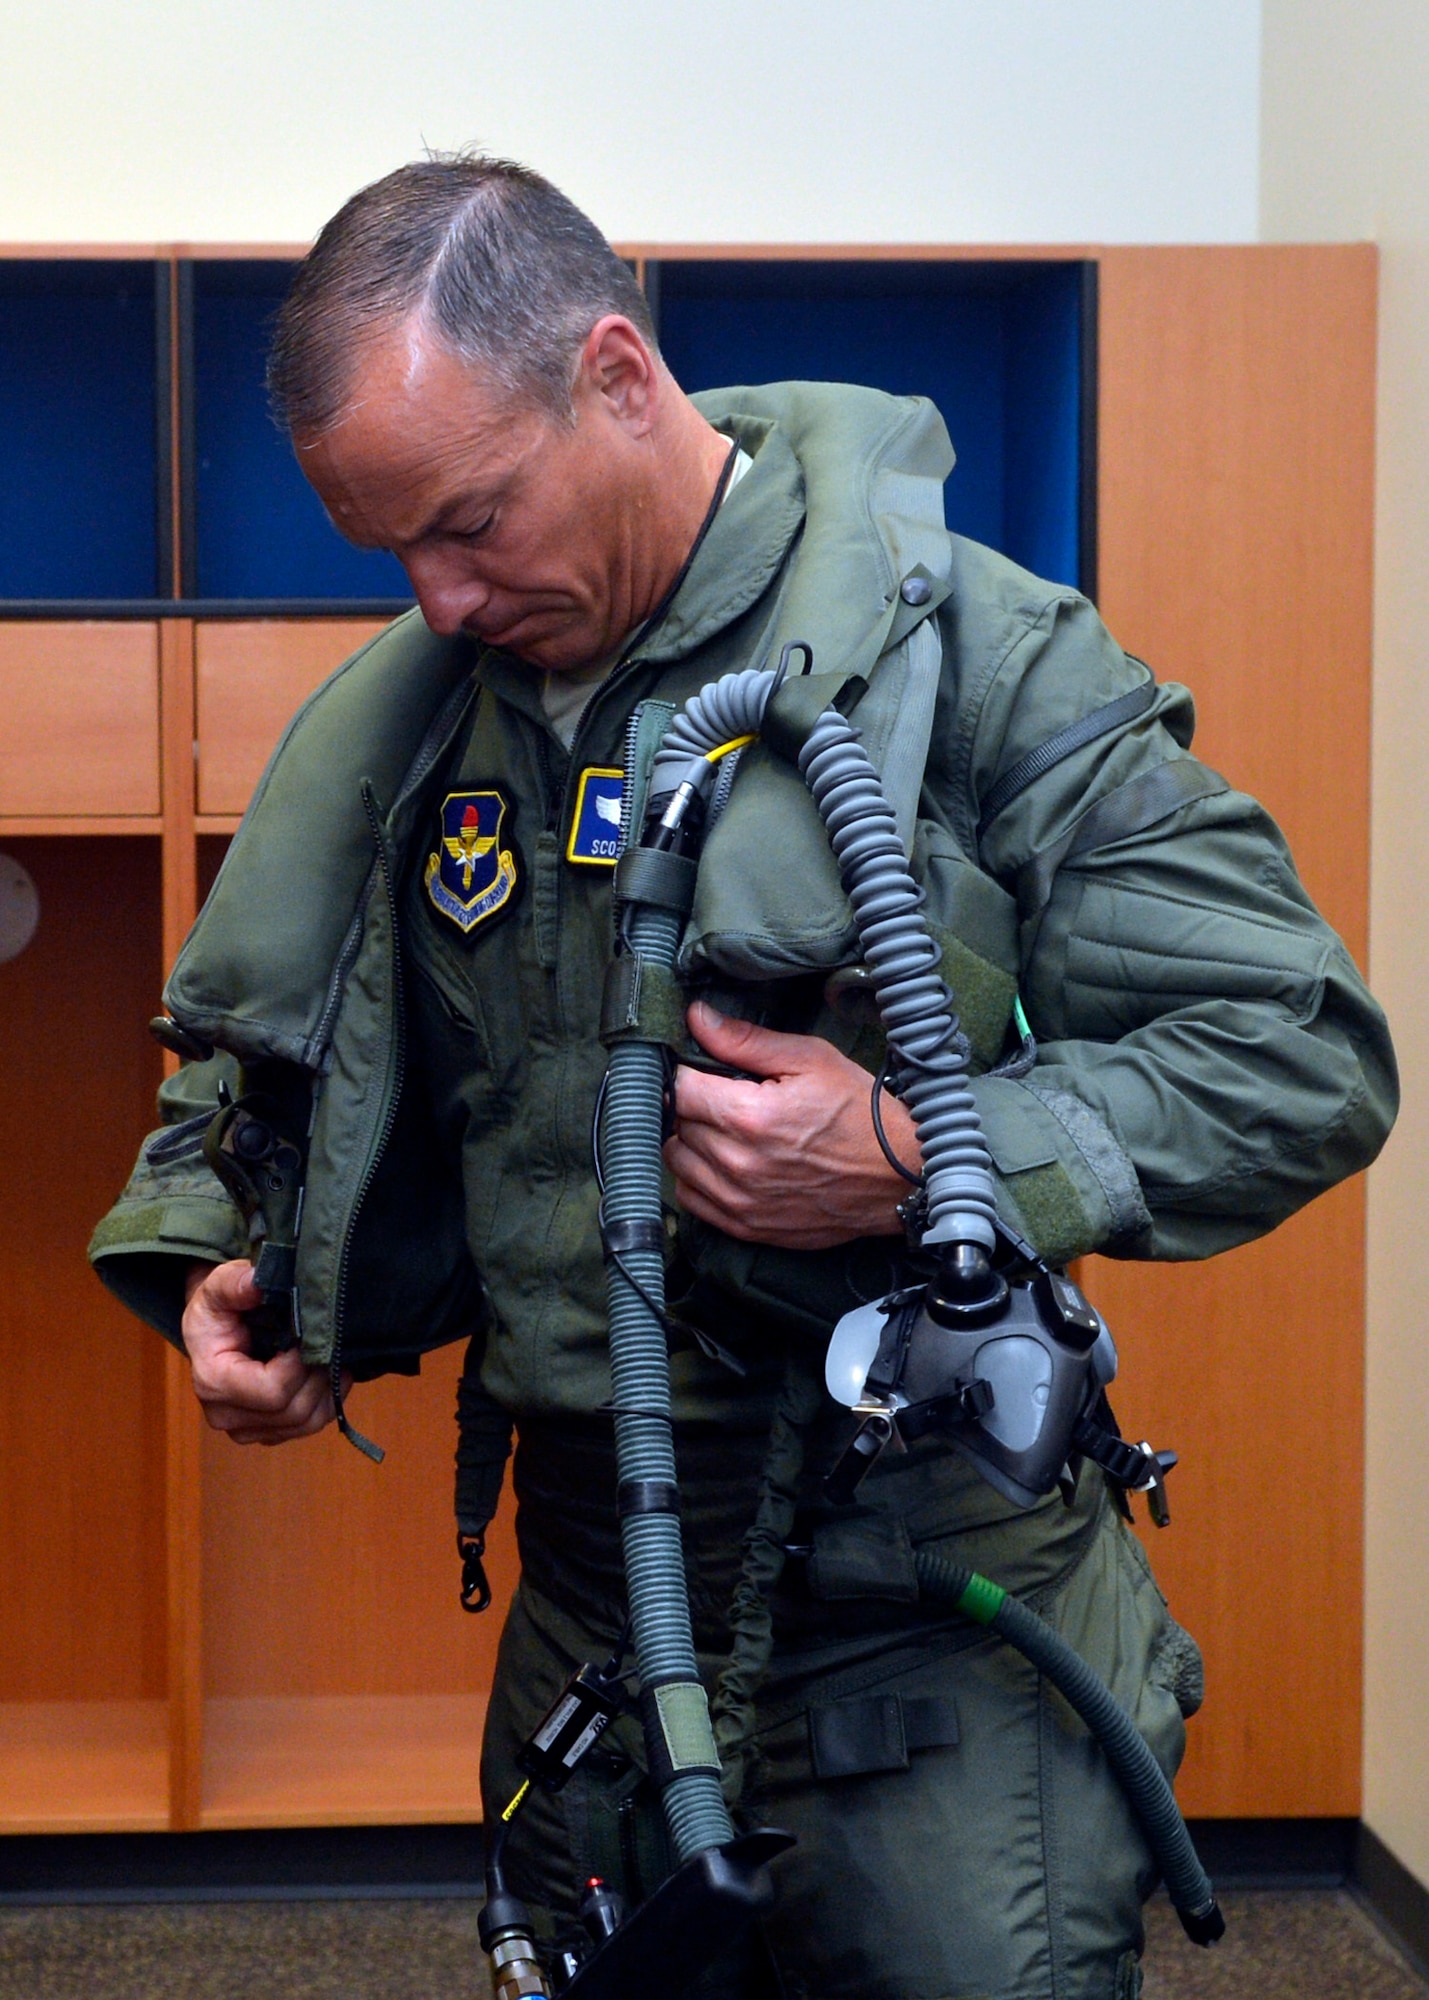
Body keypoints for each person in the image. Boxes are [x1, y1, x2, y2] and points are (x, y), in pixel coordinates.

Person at [90, 155, 1396, 2000]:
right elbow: (292, 1074)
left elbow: (1295, 1054)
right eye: (391, 549)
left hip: (918, 1627)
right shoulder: (420, 727)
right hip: (586, 1620)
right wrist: (246, 1270)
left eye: (470, 521)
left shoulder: (983, 659)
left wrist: (912, 1151)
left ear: (619, 378)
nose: (439, 598)